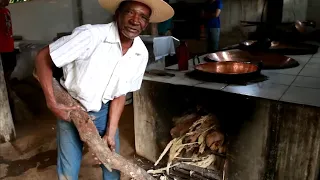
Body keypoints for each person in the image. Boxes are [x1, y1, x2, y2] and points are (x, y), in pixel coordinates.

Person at [34, 0, 174, 179]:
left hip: (104, 111)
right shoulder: (91, 35)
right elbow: (42, 57)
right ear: (118, 14)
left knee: (111, 165)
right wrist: (52, 103)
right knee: (68, 169)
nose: (135, 20)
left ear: (146, 23)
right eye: (130, 12)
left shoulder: (140, 53)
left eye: (143, 17)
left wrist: (111, 131)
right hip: (71, 108)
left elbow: (120, 93)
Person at [0, 0, 15, 79]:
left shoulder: (6, 11)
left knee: (12, 66)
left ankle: (7, 84)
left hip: (9, 45)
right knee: (5, 69)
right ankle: (6, 86)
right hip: (2, 48)